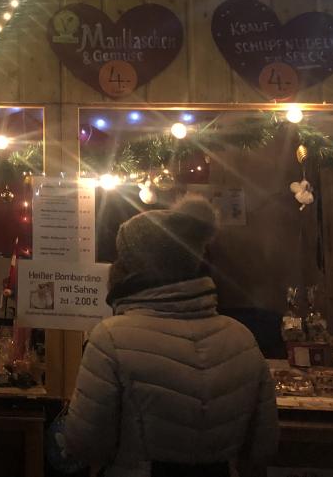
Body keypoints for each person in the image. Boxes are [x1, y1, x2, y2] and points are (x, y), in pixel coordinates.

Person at [60, 197, 278, 477]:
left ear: (132, 268)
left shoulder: (110, 339)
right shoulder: (241, 338)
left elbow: (84, 443)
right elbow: (263, 446)